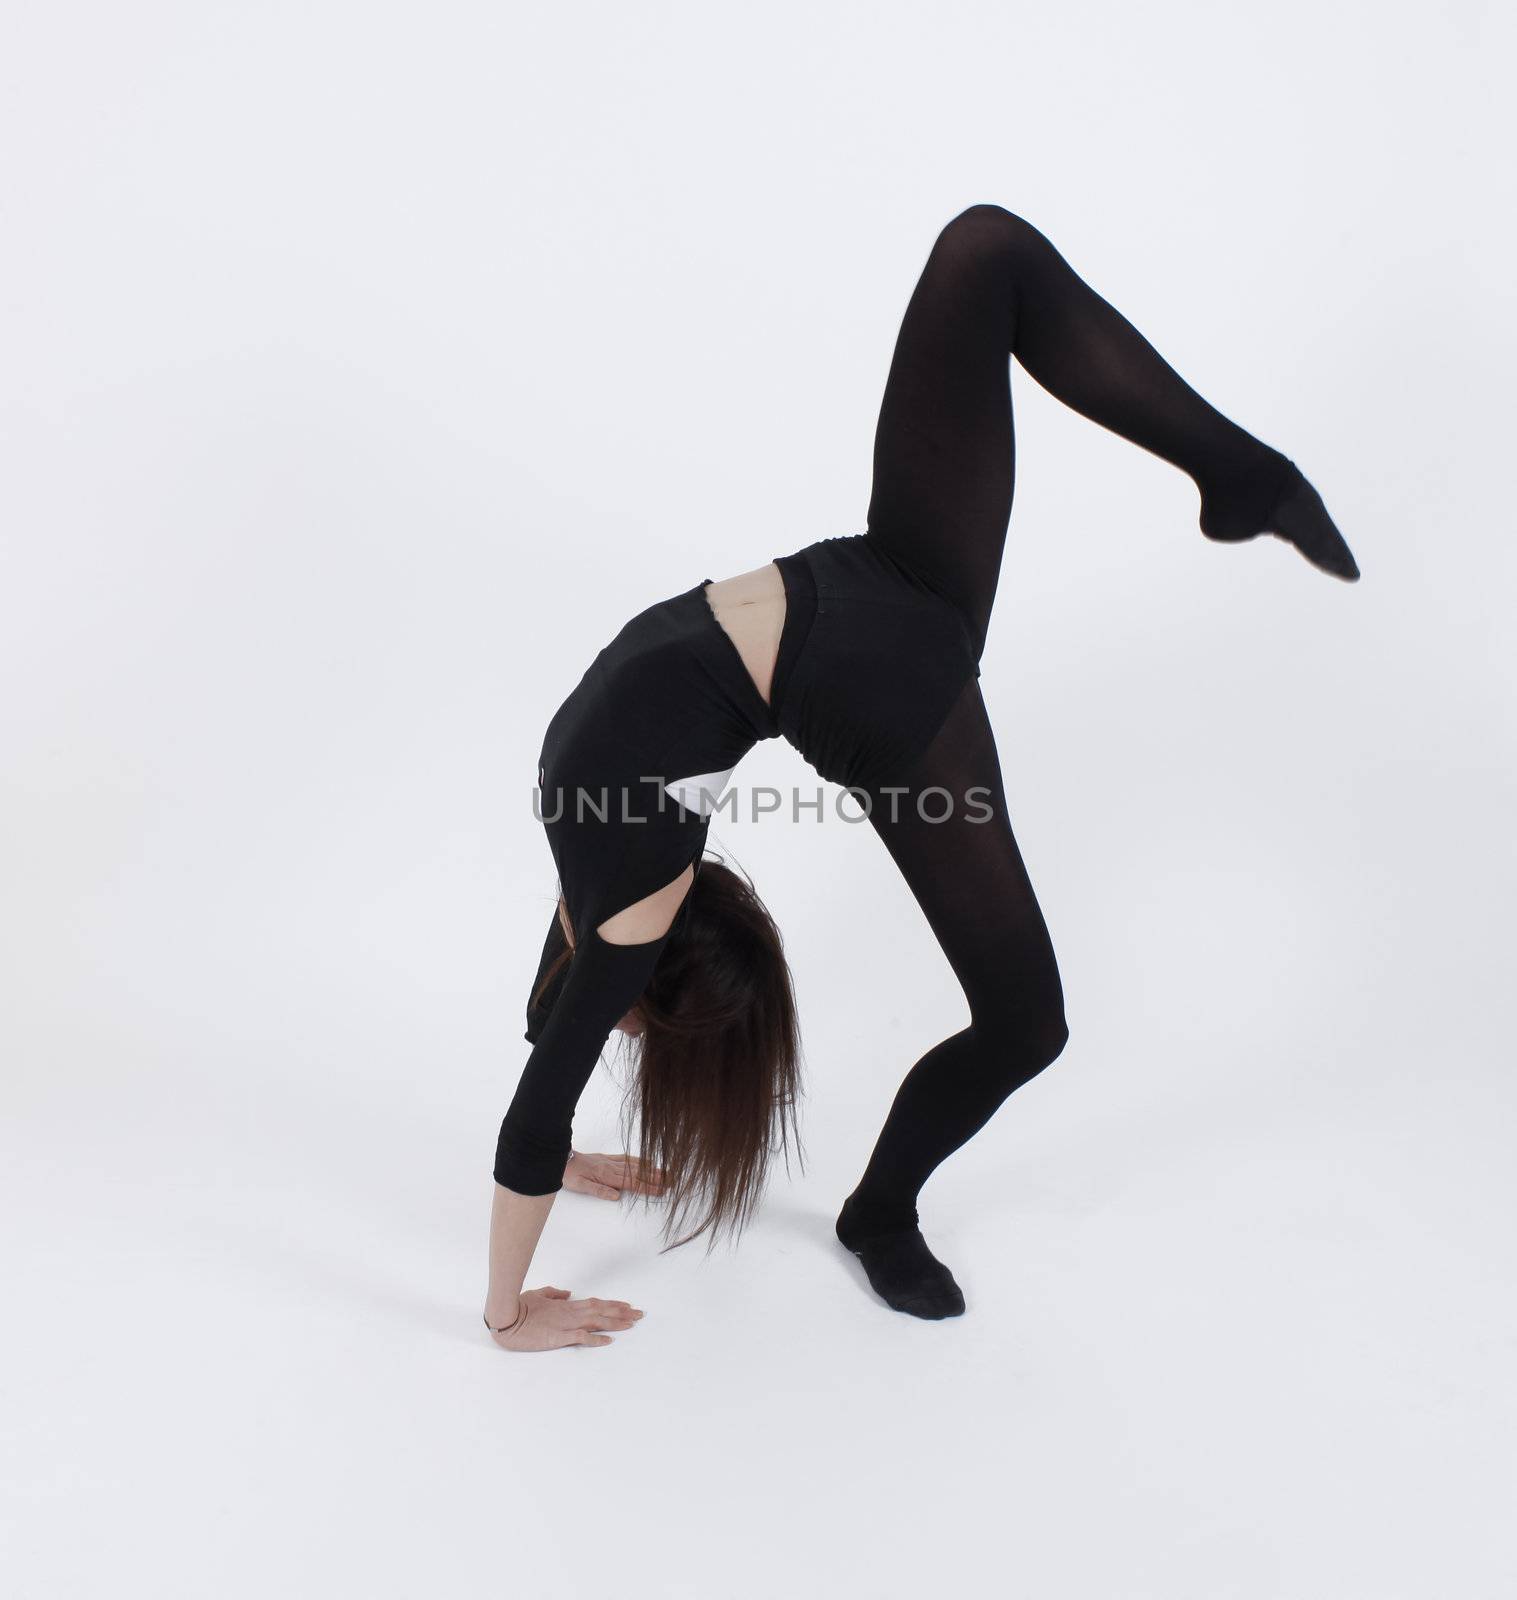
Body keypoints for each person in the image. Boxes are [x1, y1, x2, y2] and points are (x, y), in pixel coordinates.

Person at [483, 203, 1360, 1352]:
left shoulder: (627, 900)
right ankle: (1233, 471)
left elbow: (538, 1093)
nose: (617, 1029)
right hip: (865, 581)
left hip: (883, 666)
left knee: (1024, 1023)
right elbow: (554, 1035)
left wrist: (504, 1316)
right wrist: (565, 1154)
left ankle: (876, 1210)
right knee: (982, 250)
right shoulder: (573, 810)